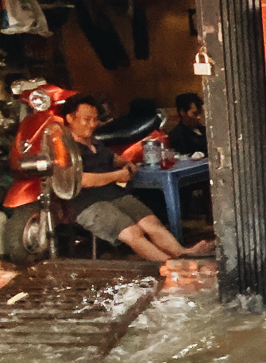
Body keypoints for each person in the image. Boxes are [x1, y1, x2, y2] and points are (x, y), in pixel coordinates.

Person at [59, 95, 212, 265]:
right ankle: (171, 264)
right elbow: (81, 180)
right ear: (70, 118)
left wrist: (126, 162)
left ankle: (183, 253)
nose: (92, 124)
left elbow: (112, 158)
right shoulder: (65, 148)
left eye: (95, 119)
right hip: (87, 204)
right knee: (133, 232)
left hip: (113, 194)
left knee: (151, 223)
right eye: (86, 119)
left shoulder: (94, 141)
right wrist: (117, 176)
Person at [169, 91, 208, 158]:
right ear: (182, 112)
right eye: (194, 114)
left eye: (200, 113)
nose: (199, 117)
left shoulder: (204, 130)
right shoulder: (177, 134)